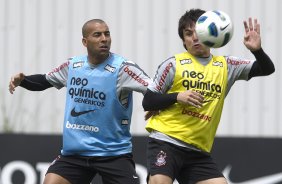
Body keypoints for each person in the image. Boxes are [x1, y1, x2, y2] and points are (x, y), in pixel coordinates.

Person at [9, 19, 151, 184]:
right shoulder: (73, 66)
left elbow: (154, 88)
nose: (104, 38)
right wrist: (23, 80)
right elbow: (45, 80)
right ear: (85, 41)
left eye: (107, 34)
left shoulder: (123, 68)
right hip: (75, 154)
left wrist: (155, 104)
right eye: (97, 35)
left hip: (113, 154)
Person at [142, 9, 275, 184]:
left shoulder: (227, 65)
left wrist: (257, 51)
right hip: (166, 142)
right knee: (159, 182)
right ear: (183, 40)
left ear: (212, 34)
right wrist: (177, 96)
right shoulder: (173, 64)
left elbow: (267, 69)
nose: (194, 38)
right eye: (188, 34)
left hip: (197, 150)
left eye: (198, 32)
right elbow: (148, 101)